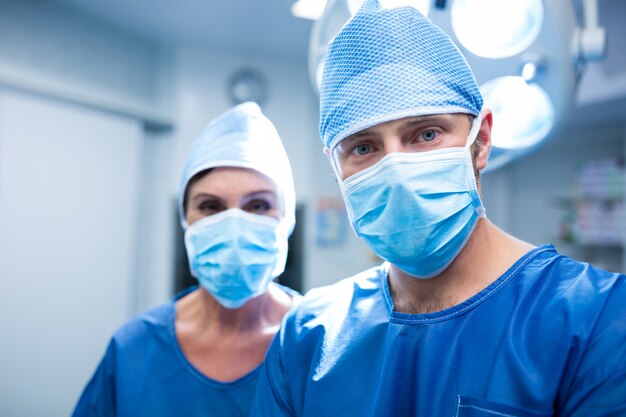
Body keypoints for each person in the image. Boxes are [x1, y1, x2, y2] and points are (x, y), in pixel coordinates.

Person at [252, 1, 626, 416]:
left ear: (481, 139)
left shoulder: (597, 320)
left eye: (426, 134)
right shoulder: (308, 337)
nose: (395, 166)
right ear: (336, 168)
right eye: (363, 147)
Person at [72, 102, 301, 417]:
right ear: (186, 221)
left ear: (286, 220)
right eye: (210, 206)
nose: (234, 225)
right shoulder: (134, 349)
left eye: (258, 205)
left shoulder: (320, 342)